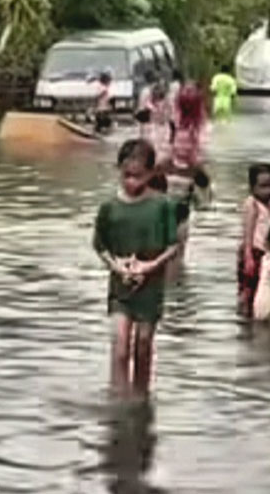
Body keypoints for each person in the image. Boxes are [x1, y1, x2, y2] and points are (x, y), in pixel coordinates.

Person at [93, 140, 180, 396]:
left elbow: (173, 245)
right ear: (118, 170)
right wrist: (116, 266)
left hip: (150, 288)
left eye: (138, 176)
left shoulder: (163, 206)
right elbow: (100, 245)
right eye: (126, 175)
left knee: (143, 344)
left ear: (151, 174)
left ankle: (141, 396)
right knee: (120, 345)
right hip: (121, 287)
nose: (131, 182)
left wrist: (150, 265)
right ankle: (119, 396)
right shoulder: (109, 208)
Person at [239, 163, 270, 315]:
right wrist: (248, 256)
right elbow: (248, 232)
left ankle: (255, 315)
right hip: (253, 251)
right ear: (252, 188)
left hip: (265, 253)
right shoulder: (252, 204)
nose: (268, 190)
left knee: (263, 290)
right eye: (263, 186)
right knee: (248, 289)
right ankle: (244, 316)